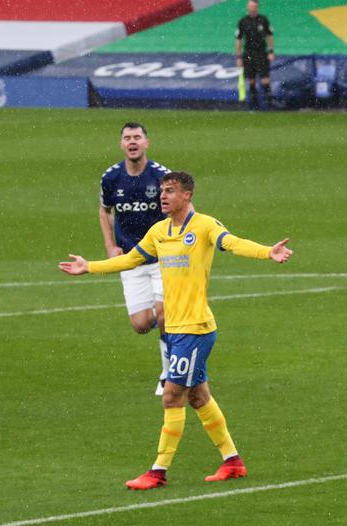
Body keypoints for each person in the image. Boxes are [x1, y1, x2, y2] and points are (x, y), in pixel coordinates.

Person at [59, 171, 292, 489]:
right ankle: (233, 461)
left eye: (170, 191)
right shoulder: (159, 231)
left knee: (171, 396)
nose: (163, 196)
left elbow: (232, 243)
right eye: (161, 191)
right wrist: (91, 267)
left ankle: (158, 471)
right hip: (177, 330)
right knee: (198, 396)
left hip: (195, 328)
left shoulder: (205, 226)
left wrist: (268, 251)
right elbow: (130, 260)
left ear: (187, 195)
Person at [99, 121, 172, 395]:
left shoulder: (162, 177)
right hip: (130, 258)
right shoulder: (111, 178)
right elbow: (104, 211)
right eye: (127, 137)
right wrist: (109, 245)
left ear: (146, 143)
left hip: (162, 259)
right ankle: (171, 319)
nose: (132, 142)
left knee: (164, 313)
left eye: (137, 137)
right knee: (141, 325)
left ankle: (167, 375)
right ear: (121, 144)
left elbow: (181, 211)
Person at [236, 0, 274, 111]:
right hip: (248, 54)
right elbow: (238, 39)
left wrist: (271, 51)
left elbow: (270, 36)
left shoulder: (263, 20)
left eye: (254, 6)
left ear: (257, 7)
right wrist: (238, 56)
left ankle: (269, 105)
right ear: (248, 7)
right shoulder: (243, 21)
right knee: (251, 80)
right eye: (250, 6)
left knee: (265, 79)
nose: (252, 8)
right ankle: (254, 106)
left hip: (261, 53)